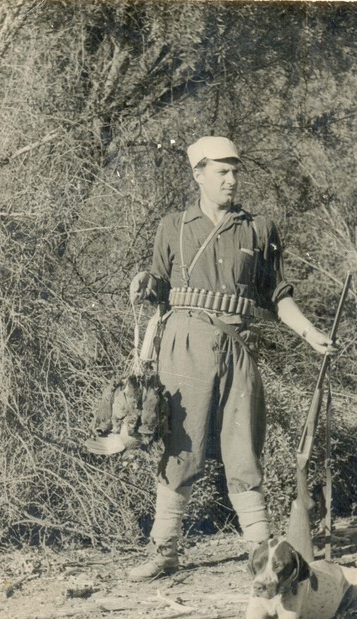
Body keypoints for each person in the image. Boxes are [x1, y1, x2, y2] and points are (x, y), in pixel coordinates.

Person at [127, 136, 334, 579]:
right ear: (198, 174)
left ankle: (260, 553)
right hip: (184, 342)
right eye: (221, 171)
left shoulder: (258, 230)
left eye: (235, 171)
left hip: (239, 346)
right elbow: (159, 286)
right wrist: (144, 283)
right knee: (182, 448)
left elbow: (277, 294)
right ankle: (164, 550)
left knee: (245, 449)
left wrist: (310, 333)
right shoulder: (174, 227)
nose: (231, 179)